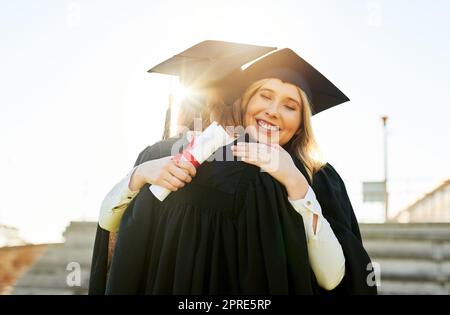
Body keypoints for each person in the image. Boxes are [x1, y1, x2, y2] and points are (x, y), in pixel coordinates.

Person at [90, 48, 377, 295]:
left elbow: (332, 278)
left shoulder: (320, 177)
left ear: (301, 124)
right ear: (246, 102)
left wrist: (294, 181)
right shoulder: (198, 161)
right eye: (265, 96)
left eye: (290, 106)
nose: (273, 111)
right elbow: (113, 230)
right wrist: (140, 173)